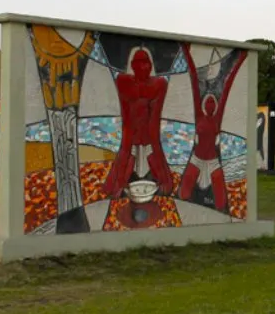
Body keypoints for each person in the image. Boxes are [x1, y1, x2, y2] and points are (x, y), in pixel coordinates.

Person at [178, 44, 247, 210]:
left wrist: (240, 60)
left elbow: (227, 85)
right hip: (197, 158)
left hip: (213, 161)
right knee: (184, 194)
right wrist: (186, 52)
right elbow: (194, 85)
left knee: (221, 202)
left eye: (212, 102)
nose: (210, 103)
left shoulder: (217, 117)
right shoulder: (199, 115)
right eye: (207, 101)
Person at [102, 48, 174, 199]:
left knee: (151, 158)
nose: (142, 67)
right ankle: (119, 187)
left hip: (147, 134)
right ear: (133, 66)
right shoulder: (124, 82)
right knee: (127, 159)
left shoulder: (158, 84)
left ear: (150, 66)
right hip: (132, 133)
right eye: (138, 63)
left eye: (145, 63)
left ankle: (159, 184)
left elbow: (154, 114)